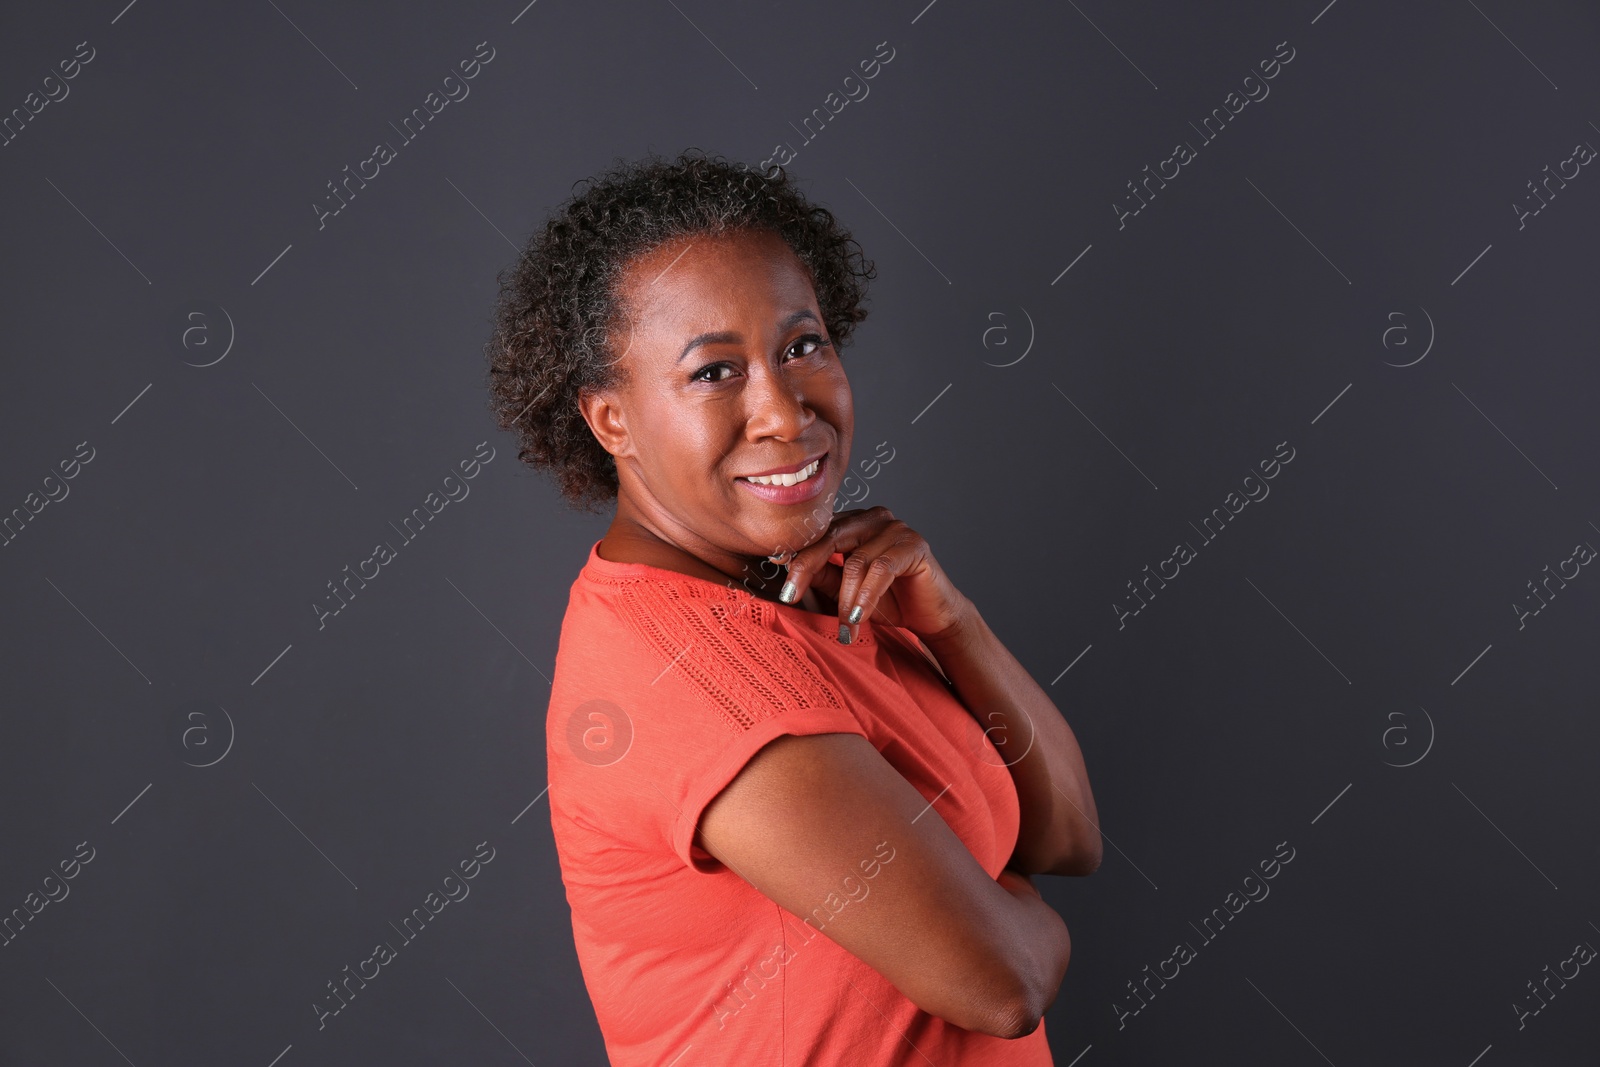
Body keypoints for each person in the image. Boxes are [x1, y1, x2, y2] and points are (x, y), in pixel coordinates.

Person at [485, 149, 1102, 1065]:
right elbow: (1001, 983)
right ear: (610, 419)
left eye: (802, 346)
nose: (783, 410)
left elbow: (1066, 836)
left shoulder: (813, 591)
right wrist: (1027, 918)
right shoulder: (690, 675)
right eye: (713, 372)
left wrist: (953, 621)